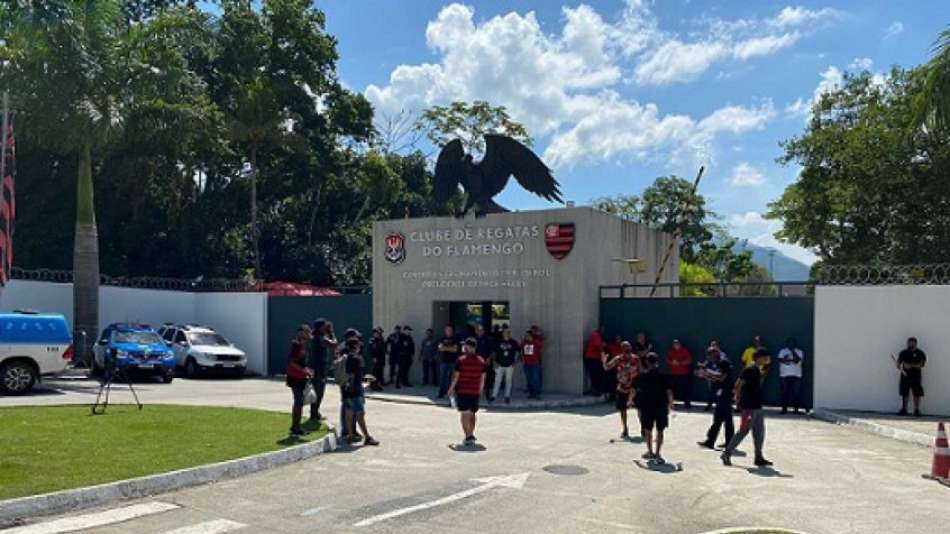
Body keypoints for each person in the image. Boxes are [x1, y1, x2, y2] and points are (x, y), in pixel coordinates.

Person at [721, 349, 772, 467]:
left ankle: (758, 457)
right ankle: (726, 453)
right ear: (759, 357)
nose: (767, 360)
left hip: (757, 406)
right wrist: (737, 400)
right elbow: (738, 385)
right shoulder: (749, 369)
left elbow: (760, 378)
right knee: (743, 431)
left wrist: (767, 367)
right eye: (766, 358)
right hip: (749, 407)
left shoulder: (756, 369)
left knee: (759, 433)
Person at [632, 352, 673, 464]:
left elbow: (634, 390)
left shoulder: (641, 376)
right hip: (661, 406)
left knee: (648, 430)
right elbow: (669, 392)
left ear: (646, 362)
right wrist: (670, 404)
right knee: (660, 430)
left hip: (646, 406)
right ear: (657, 362)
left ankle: (650, 452)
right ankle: (658, 454)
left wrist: (630, 400)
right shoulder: (663, 376)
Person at [340, 336, 379, 446]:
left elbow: (351, 375)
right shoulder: (356, 359)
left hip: (346, 390)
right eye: (358, 345)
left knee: (349, 413)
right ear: (356, 346)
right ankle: (367, 437)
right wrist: (365, 380)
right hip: (355, 391)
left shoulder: (345, 358)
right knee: (360, 414)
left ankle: (350, 436)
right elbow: (355, 376)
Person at [448, 338, 486, 445]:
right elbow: (483, 378)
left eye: (465, 345)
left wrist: (451, 388)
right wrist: (480, 390)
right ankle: (471, 434)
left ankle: (468, 436)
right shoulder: (481, 361)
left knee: (464, 413)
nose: (464, 347)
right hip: (475, 391)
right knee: (472, 413)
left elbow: (456, 376)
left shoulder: (461, 360)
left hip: (463, 390)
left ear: (468, 347)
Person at [696, 347, 735, 449]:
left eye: (710, 355)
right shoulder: (718, 364)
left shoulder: (724, 363)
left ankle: (714, 441)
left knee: (723, 418)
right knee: (722, 418)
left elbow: (721, 378)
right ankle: (718, 441)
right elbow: (715, 379)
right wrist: (704, 375)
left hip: (726, 393)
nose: (709, 357)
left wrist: (706, 371)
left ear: (715, 354)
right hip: (721, 393)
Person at [603, 341, 639, 439]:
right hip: (622, 388)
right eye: (624, 347)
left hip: (634, 387)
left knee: (640, 409)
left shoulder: (636, 359)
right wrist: (604, 361)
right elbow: (607, 367)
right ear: (622, 349)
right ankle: (625, 429)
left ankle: (643, 428)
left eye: (628, 347)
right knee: (622, 410)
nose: (627, 349)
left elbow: (640, 370)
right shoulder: (618, 359)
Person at [286, 325, 314, 437]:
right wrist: (304, 370)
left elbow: (302, 362)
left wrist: (308, 370)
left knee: (300, 402)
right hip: (295, 377)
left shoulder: (302, 345)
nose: (309, 334)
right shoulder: (295, 345)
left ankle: (296, 427)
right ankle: (295, 428)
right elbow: (291, 362)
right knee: (298, 402)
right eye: (307, 332)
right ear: (300, 332)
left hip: (301, 377)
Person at [307, 319, 337, 423]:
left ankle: (315, 413)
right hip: (319, 369)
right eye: (324, 326)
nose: (326, 328)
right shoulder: (321, 338)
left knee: (316, 391)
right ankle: (314, 414)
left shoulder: (313, 336)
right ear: (320, 327)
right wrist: (331, 333)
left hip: (314, 367)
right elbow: (334, 344)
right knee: (319, 391)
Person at [896, 337, 927, 416]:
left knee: (917, 393)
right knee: (904, 393)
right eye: (909, 343)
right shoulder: (903, 352)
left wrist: (911, 366)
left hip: (916, 376)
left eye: (912, 343)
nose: (910, 345)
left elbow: (922, 364)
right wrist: (902, 366)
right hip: (905, 376)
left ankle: (916, 410)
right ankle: (904, 409)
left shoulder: (920, 353)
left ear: (915, 344)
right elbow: (898, 364)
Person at [491, 328, 520, 403]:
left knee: (508, 381)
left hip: (509, 365)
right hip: (499, 364)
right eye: (505, 332)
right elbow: (494, 352)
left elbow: (518, 352)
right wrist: (494, 362)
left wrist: (515, 362)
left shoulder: (514, 342)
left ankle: (507, 396)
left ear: (510, 334)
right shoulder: (498, 342)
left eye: (508, 333)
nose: (506, 334)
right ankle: (494, 396)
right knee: (497, 381)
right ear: (503, 334)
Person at [777, 337, 804, 414]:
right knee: (784, 392)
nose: (790, 345)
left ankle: (796, 410)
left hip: (796, 375)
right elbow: (780, 360)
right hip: (784, 375)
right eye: (789, 343)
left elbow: (797, 361)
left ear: (795, 344)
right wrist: (789, 360)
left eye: (792, 343)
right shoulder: (783, 351)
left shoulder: (799, 351)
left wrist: (792, 352)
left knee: (796, 393)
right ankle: (784, 409)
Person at [666, 339, 693, 409]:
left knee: (685, 389)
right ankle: (671, 403)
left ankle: (687, 403)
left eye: (677, 344)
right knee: (671, 389)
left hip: (683, 373)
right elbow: (668, 360)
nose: (676, 345)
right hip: (673, 373)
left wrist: (680, 363)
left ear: (680, 344)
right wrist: (672, 362)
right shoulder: (671, 351)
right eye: (675, 344)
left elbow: (690, 360)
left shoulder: (684, 350)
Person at [437, 326, 460, 398]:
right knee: (442, 378)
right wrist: (450, 348)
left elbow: (455, 349)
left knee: (452, 378)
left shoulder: (455, 339)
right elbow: (440, 348)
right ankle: (441, 393)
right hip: (443, 361)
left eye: (450, 330)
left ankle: (451, 393)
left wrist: (445, 348)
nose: (448, 331)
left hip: (453, 361)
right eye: (447, 330)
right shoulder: (442, 338)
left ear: (452, 331)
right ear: (445, 330)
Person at [583, 327, 606, 396]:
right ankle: (595, 390)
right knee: (595, 374)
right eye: (602, 330)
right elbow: (599, 346)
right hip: (592, 358)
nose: (603, 332)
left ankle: (595, 389)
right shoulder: (596, 335)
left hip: (594, 358)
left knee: (596, 374)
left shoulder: (598, 336)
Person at [475, 325, 495, 400]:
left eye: (481, 330)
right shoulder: (473, 340)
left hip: (486, 362)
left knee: (487, 379)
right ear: (476, 331)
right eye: (478, 330)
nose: (479, 331)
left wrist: (489, 358)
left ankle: (487, 394)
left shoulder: (488, 339)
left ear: (483, 331)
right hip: (476, 362)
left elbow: (492, 351)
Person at [522, 330, 542, 399]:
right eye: (525, 335)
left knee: (535, 379)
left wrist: (538, 335)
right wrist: (523, 360)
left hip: (534, 364)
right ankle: (531, 393)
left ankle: (537, 393)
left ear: (531, 336)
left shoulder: (536, 342)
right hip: (526, 364)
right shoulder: (524, 343)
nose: (526, 336)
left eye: (527, 335)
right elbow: (521, 351)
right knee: (529, 379)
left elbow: (541, 347)